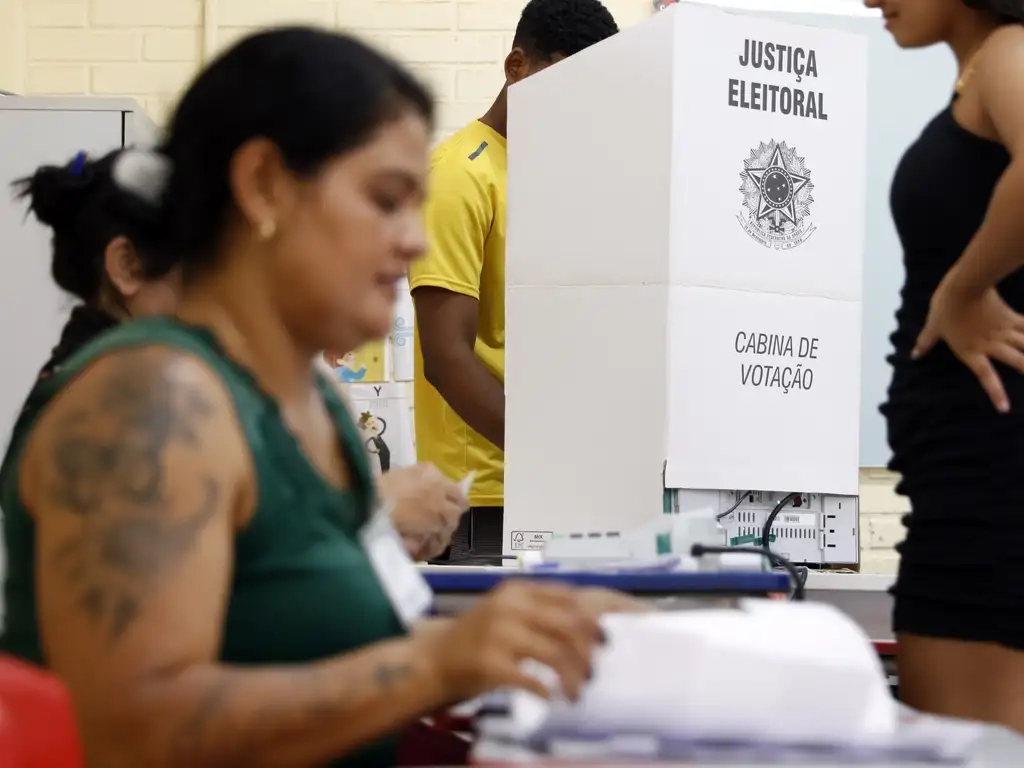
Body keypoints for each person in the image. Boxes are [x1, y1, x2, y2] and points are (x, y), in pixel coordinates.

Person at [0, 27, 641, 768]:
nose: (411, 242)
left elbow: (325, 659)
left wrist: (527, 634)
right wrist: (439, 663)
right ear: (264, 185)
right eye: (384, 199)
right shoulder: (157, 401)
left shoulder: (316, 405)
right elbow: (133, 730)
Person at [8, 150, 468, 567]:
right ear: (128, 267)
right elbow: (181, 572)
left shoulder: (173, 380)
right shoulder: (105, 401)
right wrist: (373, 514)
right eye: (215, 263)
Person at [410, 0, 619, 562]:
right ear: (516, 67)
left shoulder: (555, 175)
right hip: (484, 505)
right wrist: (552, 457)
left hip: (556, 496)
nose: (578, 109)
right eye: (565, 85)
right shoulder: (460, 173)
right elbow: (445, 355)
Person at [867, 0, 1024, 731]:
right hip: (960, 480)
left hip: (989, 482)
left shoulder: (1008, 52)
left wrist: (960, 291)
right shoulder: (980, 72)